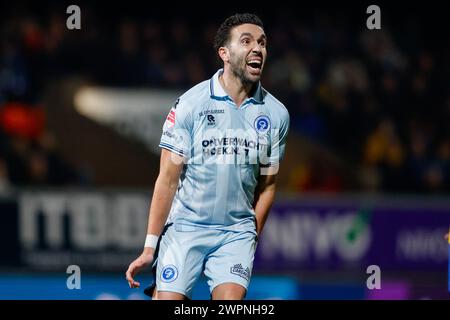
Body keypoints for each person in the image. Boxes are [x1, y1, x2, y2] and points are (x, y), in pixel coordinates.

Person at [125, 13, 290, 300]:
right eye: (247, 41)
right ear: (224, 53)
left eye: (262, 43)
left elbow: (268, 185)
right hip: (186, 228)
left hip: (235, 233)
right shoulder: (191, 105)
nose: (258, 49)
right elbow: (167, 180)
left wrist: (251, 236)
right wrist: (150, 247)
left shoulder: (276, 115)